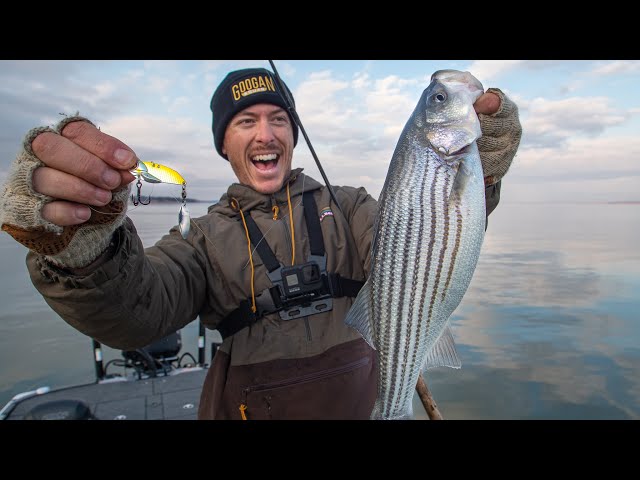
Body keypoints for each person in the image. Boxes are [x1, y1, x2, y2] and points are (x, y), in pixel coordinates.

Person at [0, 66, 522, 420]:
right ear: (223, 142)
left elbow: (423, 242)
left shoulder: (354, 209)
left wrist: (482, 180)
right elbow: (134, 311)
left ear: (293, 134)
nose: (265, 134)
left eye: (278, 119)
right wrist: (80, 246)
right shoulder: (200, 240)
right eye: (245, 121)